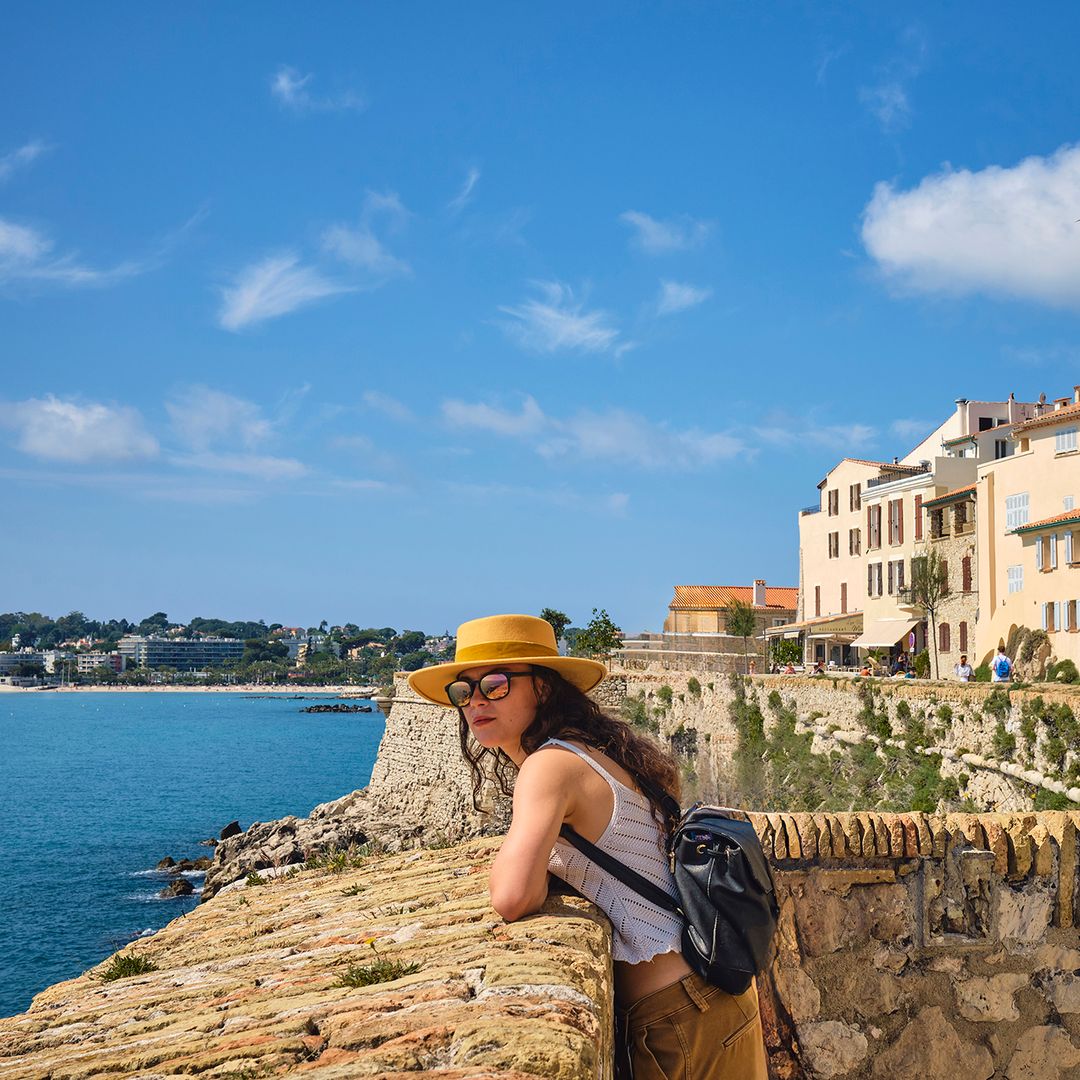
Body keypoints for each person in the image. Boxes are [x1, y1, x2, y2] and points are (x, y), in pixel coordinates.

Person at [408, 614, 768, 1079]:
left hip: (680, 1012)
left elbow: (512, 897)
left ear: (542, 688)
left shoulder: (548, 767)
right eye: (463, 691)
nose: (476, 700)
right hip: (706, 995)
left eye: (495, 685)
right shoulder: (588, 749)